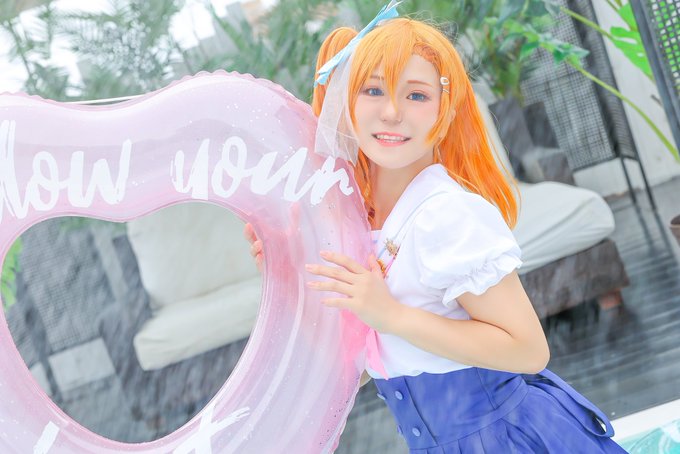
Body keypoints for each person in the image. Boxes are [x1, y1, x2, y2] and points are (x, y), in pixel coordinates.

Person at [246, 3, 627, 452]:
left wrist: (392, 315)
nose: (392, 111)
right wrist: (286, 273)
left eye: (416, 95)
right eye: (373, 90)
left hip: (508, 440)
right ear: (346, 104)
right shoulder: (360, 224)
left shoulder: (446, 215)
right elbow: (356, 368)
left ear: (444, 111)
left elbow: (529, 350)